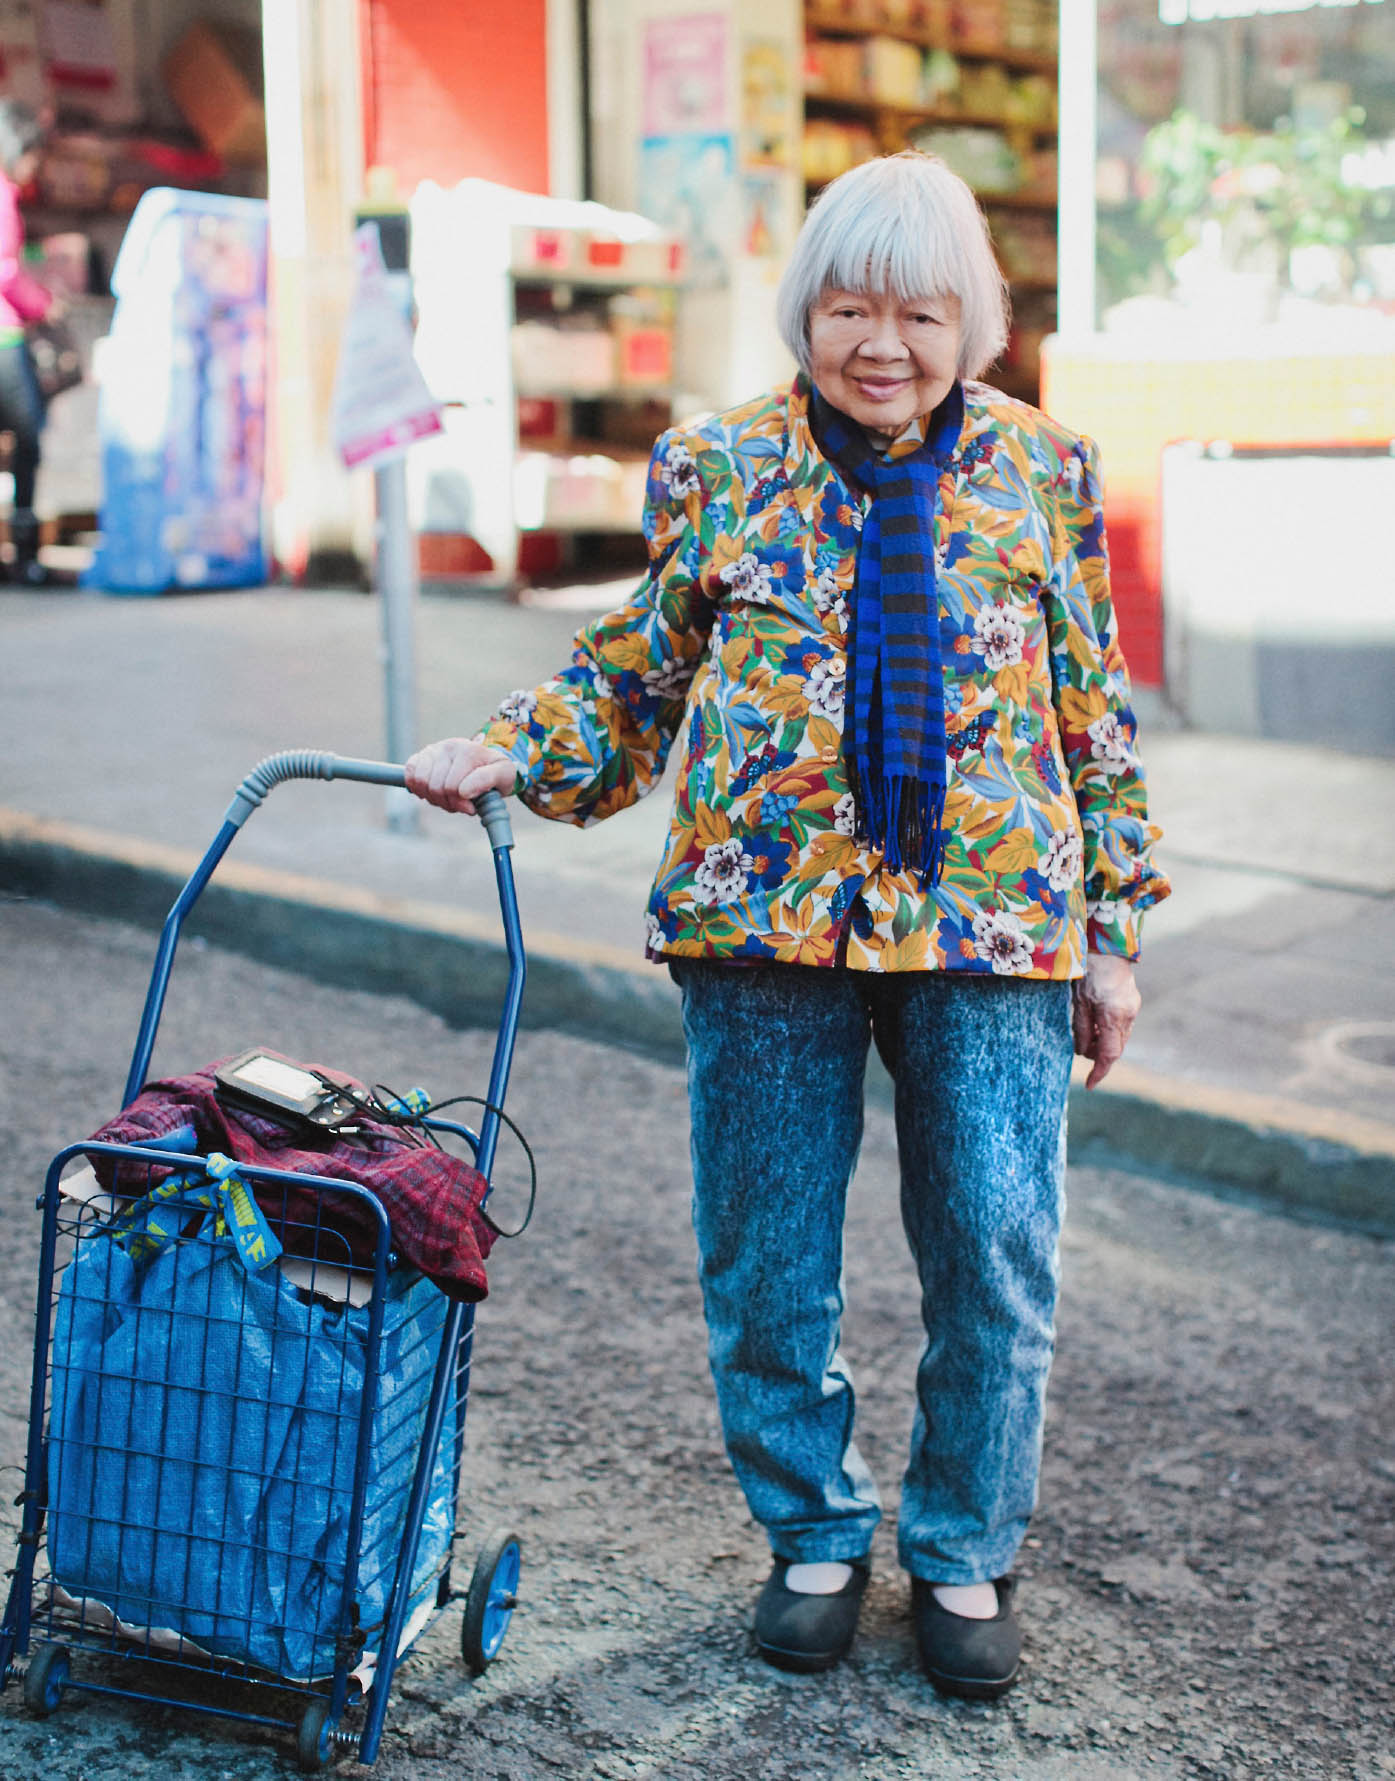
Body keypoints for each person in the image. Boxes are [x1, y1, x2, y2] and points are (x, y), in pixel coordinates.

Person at [406, 152, 1170, 1700]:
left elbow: (1091, 716)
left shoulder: (1047, 473)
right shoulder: (717, 466)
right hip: (762, 923)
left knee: (994, 1254)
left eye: (916, 311)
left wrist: (1116, 929)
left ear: (976, 324)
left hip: (988, 926)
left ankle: (962, 1549)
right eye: (846, 307)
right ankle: (810, 1530)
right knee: (765, 1256)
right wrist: (514, 746)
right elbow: (637, 668)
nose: (878, 342)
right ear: (800, 313)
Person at [0, 100, 58, 586]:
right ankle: (25, 557)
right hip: (4, 338)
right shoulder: (1, 196)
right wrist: (43, 305)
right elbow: (6, 271)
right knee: (28, 443)